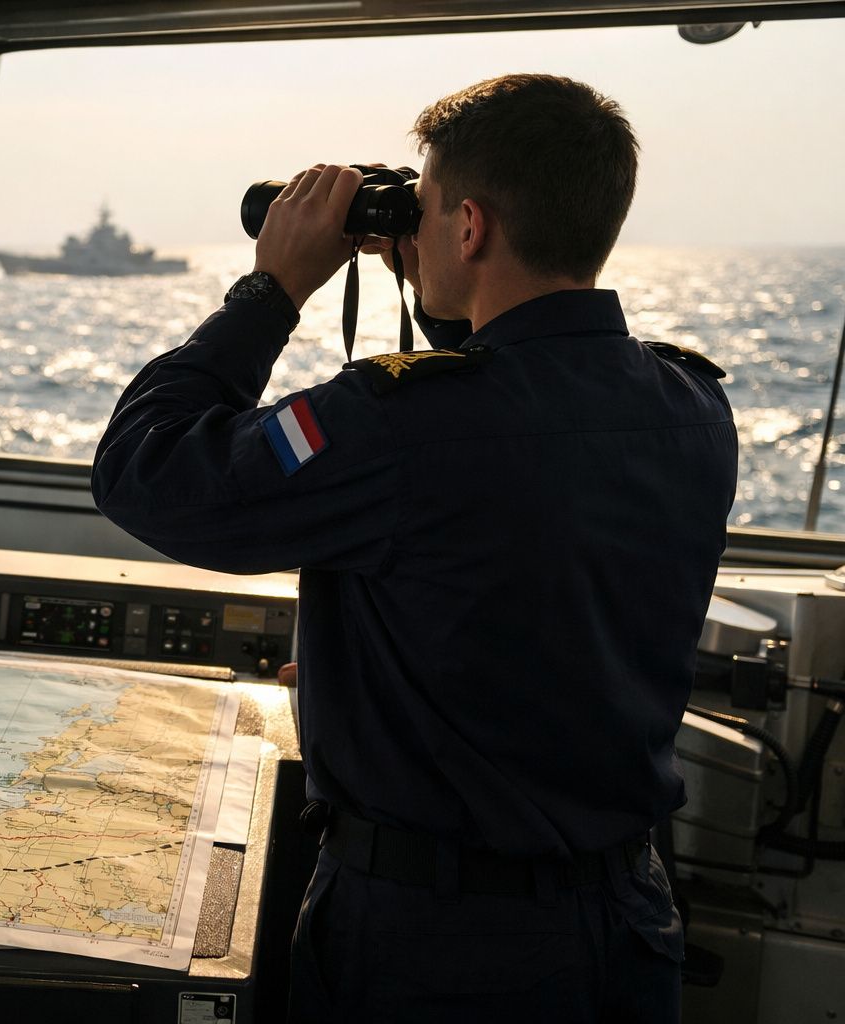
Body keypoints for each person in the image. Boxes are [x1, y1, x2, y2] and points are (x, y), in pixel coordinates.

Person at [90, 74, 738, 1022]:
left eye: (432, 211)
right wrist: (444, 289)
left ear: (469, 227)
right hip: (627, 927)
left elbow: (147, 474)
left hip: (432, 946)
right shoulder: (692, 409)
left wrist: (270, 291)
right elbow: (515, 436)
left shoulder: (397, 428)